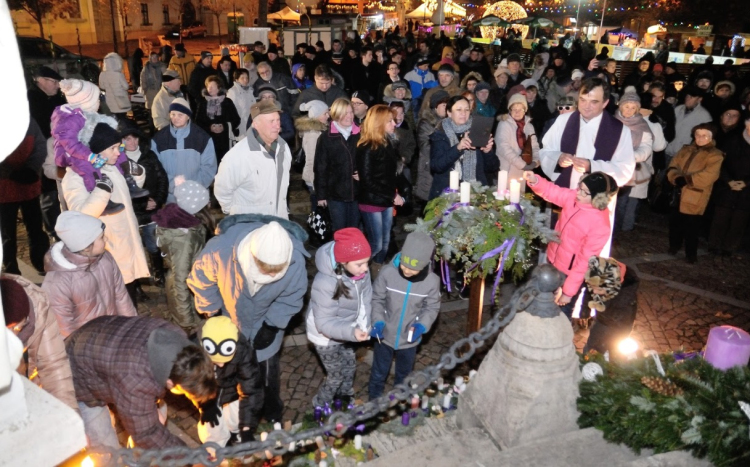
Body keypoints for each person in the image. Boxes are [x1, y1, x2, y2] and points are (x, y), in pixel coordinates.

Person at [188, 217, 309, 423]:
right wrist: (214, 313)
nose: (269, 274)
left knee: (266, 375)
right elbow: (201, 281)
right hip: (228, 324)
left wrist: (272, 325)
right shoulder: (221, 250)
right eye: (264, 267)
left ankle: (272, 414)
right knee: (225, 370)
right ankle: (230, 413)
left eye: (276, 270)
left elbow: (292, 297)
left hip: (265, 323)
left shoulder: (295, 261)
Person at [65, 315, 217, 451]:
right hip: (75, 378)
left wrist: (204, 405)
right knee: (105, 447)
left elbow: (194, 377)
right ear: (170, 382)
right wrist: (190, 459)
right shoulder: (135, 381)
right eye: (182, 391)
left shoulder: (176, 339)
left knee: (155, 417)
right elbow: (146, 432)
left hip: (100, 338)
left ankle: (138, 452)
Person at [61, 119, 151, 305]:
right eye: (113, 148)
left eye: (119, 147)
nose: (119, 153)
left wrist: (137, 174)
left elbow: (129, 193)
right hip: (107, 252)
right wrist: (102, 190)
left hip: (126, 244)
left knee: (129, 298)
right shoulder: (75, 177)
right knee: (114, 304)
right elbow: (81, 215)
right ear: (96, 150)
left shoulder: (112, 166)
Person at [539, 78, 635, 226]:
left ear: (605, 103)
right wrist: (558, 158)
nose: (586, 106)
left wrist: (592, 166)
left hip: (596, 207)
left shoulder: (620, 131)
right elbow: (545, 151)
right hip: (564, 196)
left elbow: (625, 169)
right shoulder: (563, 121)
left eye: (594, 102)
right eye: (583, 100)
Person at [523, 170, 618, 317]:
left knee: (559, 315)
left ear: (598, 198)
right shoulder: (574, 198)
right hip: (554, 261)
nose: (578, 192)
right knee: (541, 304)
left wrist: (567, 292)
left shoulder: (600, 225)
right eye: (579, 187)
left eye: (585, 192)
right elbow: (553, 192)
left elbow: (584, 263)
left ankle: (558, 338)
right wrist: (536, 180)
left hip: (569, 274)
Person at [53, 79, 148, 215]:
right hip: (73, 153)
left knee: (120, 155)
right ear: (87, 101)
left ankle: (129, 180)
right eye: (96, 99)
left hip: (128, 233)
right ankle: (99, 193)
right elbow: (69, 143)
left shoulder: (90, 117)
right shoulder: (71, 120)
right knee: (88, 167)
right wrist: (90, 157)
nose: (99, 103)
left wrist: (137, 172)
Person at [368, 231, 440, 399]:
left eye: (413, 268)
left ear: (424, 264)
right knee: (379, 372)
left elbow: (432, 307)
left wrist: (421, 325)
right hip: (384, 335)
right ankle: (374, 400)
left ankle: (399, 400)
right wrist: (377, 321)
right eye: (404, 264)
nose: (406, 270)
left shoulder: (431, 282)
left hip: (409, 339)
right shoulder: (387, 273)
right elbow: (377, 298)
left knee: (404, 374)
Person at [42, 210, 137, 338]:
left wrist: (132, 329)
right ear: (86, 246)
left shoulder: (106, 259)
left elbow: (121, 297)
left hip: (113, 334)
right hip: (85, 346)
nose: (106, 239)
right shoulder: (58, 282)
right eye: (101, 238)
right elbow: (63, 327)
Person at [307, 228, 372, 407]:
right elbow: (324, 323)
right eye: (359, 264)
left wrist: (364, 325)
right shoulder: (325, 283)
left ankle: (344, 399)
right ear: (343, 262)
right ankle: (319, 406)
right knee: (335, 376)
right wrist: (352, 332)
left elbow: (365, 299)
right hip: (324, 337)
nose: (365, 268)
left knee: (350, 367)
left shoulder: (361, 272)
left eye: (367, 262)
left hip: (347, 330)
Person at [3, 272, 78, 411]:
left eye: (17, 328)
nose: (13, 334)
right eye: (6, 331)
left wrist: (70, 417)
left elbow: (54, 367)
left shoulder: (38, 307)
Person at [153, 179, 214, 333]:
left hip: (190, 288)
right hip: (185, 295)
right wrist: (187, 319)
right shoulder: (184, 238)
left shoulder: (188, 225)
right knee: (190, 335)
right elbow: (180, 278)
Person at [214, 99, 291, 217]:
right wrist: (237, 216)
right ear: (255, 124)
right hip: (251, 225)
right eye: (271, 121)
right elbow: (222, 191)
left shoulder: (284, 148)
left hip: (279, 221)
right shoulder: (238, 155)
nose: (277, 126)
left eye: (278, 120)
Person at [195, 316, 263, 446]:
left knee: (237, 415)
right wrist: (204, 405)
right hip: (208, 393)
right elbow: (192, 383)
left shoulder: (243, 350)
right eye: (215, 360)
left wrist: (247, 428)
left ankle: (236, 433)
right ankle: (217, 448)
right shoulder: (193, 349)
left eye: (225, 360)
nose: (221, 365)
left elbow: (251, 388)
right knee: (212, 429)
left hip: (233, 391)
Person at [120, 121, 169, 290]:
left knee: (153, 243)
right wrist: (142, 203)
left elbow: (162, 178)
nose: (132, 143)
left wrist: (157, 199)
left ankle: (158, 273)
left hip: (151, 209)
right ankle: (136, 283)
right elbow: (122, 190)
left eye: (134, 138)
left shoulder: (149, 155)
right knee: (132, 246)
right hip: (132, 211)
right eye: (127, 139)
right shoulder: (119, 161)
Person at [666, 123, 723, 263]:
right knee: (675, 222)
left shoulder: (715, 155)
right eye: (698, 135)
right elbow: (674, 164)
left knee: (692, 227)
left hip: (695, 195)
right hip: (678, 192)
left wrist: (687, 180)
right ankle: (674, 245)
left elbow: (710, 175)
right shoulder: (686, 149)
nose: (700, 138)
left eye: (704, 136)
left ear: (711, 137)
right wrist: (675, 177)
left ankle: (691, 254)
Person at [357, 105, 403, 271]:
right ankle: (361, 272)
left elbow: (391, 174)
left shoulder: (388, 143)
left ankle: (377, 274)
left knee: (384, 243)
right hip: (371, 201)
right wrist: (392, 195)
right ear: (379, 123)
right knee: (376, 244)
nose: (394, 124)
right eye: (389, 121)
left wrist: (398, 192)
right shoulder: (367, 147)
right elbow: (367, 180)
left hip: (386, 200)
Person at [0, 118, 49, 275]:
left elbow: (40, 146)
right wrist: (9, 171)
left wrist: (31, 169)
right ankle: (10, 267)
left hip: (28, 186)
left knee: (35, 227)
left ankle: (41, 262)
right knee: (7, 233)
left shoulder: (27, 121)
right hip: (4, 188)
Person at [150, 98, 218, 203]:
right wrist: (173, 185)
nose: (175, 118)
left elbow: (209, 168)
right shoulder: (159, 139)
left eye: (180, 115)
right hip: (171, 197)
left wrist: (192, 188)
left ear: (188, 116)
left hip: (196, 196)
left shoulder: (202, 138)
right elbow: (156, 168)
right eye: (173, 114)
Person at [428, 95, 496, 199]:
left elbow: (492, 167)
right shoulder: (440, 134)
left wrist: (488, 152)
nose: (463, 113)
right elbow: (436, 166)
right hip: (447, 194)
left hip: (476, 193)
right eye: (458, 109)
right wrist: (457, 148)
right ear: (449, 113)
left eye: (466, 109)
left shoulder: (478, 130)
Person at [314, 98, 362, 232]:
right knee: (339, 230)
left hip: (357, 192)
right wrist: (321, 195)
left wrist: (363, 173)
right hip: (335, 193)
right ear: (336, 114)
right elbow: (320, 167)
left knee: (354, 230)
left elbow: (368, 160)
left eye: (351, 112)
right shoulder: (326, 138)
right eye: (345, 113)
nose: (349, 116)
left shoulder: (361, 134)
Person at [613, 93, 658, 232]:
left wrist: (632, 155)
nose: (629, 110)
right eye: (626, 106)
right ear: (620, 106)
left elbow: (646, 147)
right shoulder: (610, 121)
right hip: (609, 166)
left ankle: (617, 231)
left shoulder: (641, 125)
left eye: (633, 108)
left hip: (628, 169)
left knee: (621, 203)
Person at [708, 113, 750, 256]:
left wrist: (746, 183)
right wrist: (728, 181)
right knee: (721, 217)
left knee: (739, 220)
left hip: (746, 190)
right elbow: (719, 162)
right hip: (727, 185)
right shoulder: (732, 140)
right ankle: (714, 244)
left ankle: (729, 247)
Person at [581, 257, 640, 355]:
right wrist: (585, 310)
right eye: (593, 287)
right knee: (591, 344)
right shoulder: (598, 278)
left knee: (611, 351)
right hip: (601, 319)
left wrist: (602, 346)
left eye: (599, 290)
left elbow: (620, 321)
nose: (594, 292)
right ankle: (586, 361)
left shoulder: (625, 296)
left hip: (619, 326)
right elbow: (589, 292)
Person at [195, 76, 241, 163]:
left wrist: (224, 126)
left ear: (219, 88)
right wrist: (210, 127)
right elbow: (197, 122)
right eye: (208, 86)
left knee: (225, 163)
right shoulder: (202, 103)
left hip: (225, 139)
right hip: (209, 139)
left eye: (212, 86)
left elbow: (236, 119)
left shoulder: (227, 102)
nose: (210, 88)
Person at [496, 93, 540, 181]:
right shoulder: (504, 124)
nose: (517, 112)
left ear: (525, 110)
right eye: (514, 109)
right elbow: (503, 147)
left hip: (525, 170)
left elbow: (534, 146)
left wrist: (536, 160)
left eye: (520, 109)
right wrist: (522, 164)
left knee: (521, 194)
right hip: (508, 169)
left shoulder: (529, 126)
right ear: (510, 110)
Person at [415, 91, 450, 203]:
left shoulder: (450, 123)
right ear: (435, 106)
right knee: (428, 204)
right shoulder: (426, 123)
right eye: (444, 105)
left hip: (445, 167)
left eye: (448, 105)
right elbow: (425, 146)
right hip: (429, 168)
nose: (446, 108)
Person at [296, 100, 330, 208]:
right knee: (318, 214)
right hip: (314, 179)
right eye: (325, 113)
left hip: (317, 179)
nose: (328, 116)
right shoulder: (313, 134)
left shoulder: (319, 131)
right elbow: (311, 160)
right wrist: (317, 186)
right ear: (316, 116)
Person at [665, 86, 712, 162]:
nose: (688, 98)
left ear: (699, 99)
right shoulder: (678, 109)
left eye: (692, 97)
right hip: (667, 151)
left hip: (683, 157)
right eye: (687, 96)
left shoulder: (704, 117)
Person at [99, 52, 132, 120]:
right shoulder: (119, 75)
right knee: (122, 118)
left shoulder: (102, 74)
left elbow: (102, 87)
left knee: (113, 118)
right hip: (120, 101)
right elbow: (126, 87)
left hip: (109, 101)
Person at [226, 68, 257, 139]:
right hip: (240, 126)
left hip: (251, 123)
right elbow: (231, 111)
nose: (245, 80)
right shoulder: (232, 92)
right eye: (242, 78)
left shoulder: (251, 90)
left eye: (247, 78)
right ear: (236, 79)